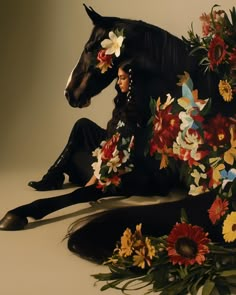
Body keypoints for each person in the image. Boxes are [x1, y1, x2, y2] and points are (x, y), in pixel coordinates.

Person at [0, 59, 179, 231]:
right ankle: (54, 175)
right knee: (83, 125)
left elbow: (117, 152)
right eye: (118, 77)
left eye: (123, 78)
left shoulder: (137, 112)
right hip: (110, 146)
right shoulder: (124, 101)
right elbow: (112, 139)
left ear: (134, 81)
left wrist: (92, 183)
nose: (119, 82)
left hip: (123, 164)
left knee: (77, 159)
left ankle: (61, 178)